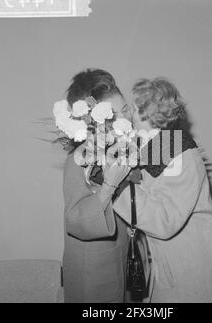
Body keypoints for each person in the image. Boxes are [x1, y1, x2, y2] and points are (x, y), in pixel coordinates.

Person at [113, 78, 212, 303]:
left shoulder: (180, 151)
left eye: (135, 107)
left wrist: (116, 188)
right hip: (173, 260)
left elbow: (164, 221)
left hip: (193, 261)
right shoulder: (154, 148)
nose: (129, 114)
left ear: (149, 112)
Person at [62, 69, 132, 303]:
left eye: (125, 110)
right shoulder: (78, 159)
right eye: (113, 117)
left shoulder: (121, 149)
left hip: (122, 258)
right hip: (92, 271)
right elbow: (77, 221)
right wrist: (109, 185)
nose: (126, 120)